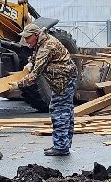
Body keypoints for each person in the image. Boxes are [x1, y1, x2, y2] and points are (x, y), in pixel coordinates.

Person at [20, 24, 78, 157]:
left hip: (63, 81)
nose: (26, 41)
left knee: (59, 110)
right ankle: (64, 144)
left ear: (35, 35)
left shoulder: (47, 47)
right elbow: (35, 56)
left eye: (28, 38)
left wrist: (18, 85)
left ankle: (61, 147)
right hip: (64, 79)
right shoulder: (42, 41)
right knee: (66, 110)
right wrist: (30, 62)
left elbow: (35, 75)